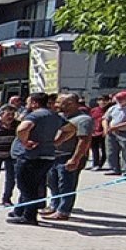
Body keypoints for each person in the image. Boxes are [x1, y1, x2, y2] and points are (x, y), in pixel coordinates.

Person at [7, 93, 76, 225]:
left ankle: (29, 216)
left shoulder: (35, 115)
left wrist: (25, 142)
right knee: (34, 184)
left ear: (34, 103)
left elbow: (23, 128)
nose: (26, 105)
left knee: (26, 186)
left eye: (28, 102)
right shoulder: (55, 116)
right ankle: (20, 211)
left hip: (30, 156)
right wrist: (56, 141)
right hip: (47, 156)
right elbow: (71, 129)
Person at [41, 93, 93, 221]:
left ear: (70, 104)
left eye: (59, 102)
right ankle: (54, 205)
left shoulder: (83, 120)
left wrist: (75, 159)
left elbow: (84, 141)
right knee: (53, 183)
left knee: (67, 185)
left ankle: (63, 211)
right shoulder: (60, 117)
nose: (56, 105)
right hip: (55, 156)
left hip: (69, 156)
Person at [88, 94, 109, 170]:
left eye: (104, 100)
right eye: (100, 100)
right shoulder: (94, 110)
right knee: (94, 149)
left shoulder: (109, 110)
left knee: (104, 149)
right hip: (94, 132)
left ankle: (100, 164)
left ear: (108, 101)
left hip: (104, 132)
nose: (102, 102)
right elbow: (90, 120)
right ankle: (95, 164)